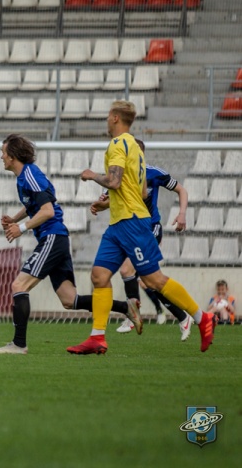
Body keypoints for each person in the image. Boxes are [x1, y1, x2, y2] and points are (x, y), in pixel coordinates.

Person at [69, 100, 216, 354]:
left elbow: (114, 182)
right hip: (118, 223)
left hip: (132, 223)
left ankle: (202, 318)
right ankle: (97, 337)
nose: (107, 120)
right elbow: (139, 191)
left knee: (153, 279)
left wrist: (91, 175)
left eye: (108, 116)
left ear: (116, 118)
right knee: (99, 276)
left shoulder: (118, 144)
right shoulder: (135, 149)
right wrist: (108, 204)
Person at [0, 135, 140, 354]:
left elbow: (48, 211)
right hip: (57, 239)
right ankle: (125, 307)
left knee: (18, 286)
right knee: (70, 300)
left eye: (3, 152)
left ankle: (19, 344)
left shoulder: (30, 175)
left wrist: (20, 228)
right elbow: (36, 204)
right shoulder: (25, 176)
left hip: (52, 237)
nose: (1, 156)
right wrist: (15, 219)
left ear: (12, 156)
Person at [102, 139, 193, 339]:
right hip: (130, 230)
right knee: (150, 281)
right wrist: (99, 204)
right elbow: (108, 200)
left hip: (151, 227)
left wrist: (182, 214)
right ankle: (182, 316)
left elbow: (182, 190)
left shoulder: (153, 173)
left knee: (127, 270)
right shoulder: (118, 175)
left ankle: (132, 316)